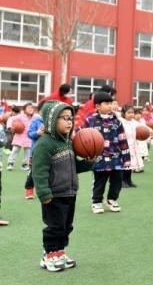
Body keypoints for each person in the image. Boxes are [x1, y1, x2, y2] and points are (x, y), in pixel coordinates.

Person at [32, 101, 94, 272]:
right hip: (53, 195)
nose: (69, 122)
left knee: (66, 226)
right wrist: (44, 193)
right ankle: (49, 255)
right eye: (64, 118)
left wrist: (89, 162)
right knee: (55, 226)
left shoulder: (68, 143)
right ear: (52, 120)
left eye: (71, 118)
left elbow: (74, 166)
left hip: (69, 192)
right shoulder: (44, 144)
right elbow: (39, 171)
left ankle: (59, 251)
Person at [87, 92, 130, 214]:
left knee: (117, 181)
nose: (110, 106)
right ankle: (96, 202)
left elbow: (122, 138)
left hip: (116, 158)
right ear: (97, 106)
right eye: (106, 103)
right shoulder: (90, 121)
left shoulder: (117, 121)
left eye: (111, 103)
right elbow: (82, 137)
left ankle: (112, 199)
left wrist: (126, 158)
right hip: (99, 158)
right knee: (99, 182)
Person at [7, 103, 36, 171]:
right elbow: (11, 119)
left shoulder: (35, 117)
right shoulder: (21, 116)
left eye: (32, 108)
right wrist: (9, 127)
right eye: (28, 108)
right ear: (24, 109)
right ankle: (10, 163)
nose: (30, 109)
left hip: (29, 136)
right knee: (15, 149)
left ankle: (25, 164)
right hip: (19, 136)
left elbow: (41, 120)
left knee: (28, 151)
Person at [119, 105, 143, 187]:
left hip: (133, 146)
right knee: (124, 164)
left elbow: (143, 128)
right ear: (123, 113)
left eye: (132, 112)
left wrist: (150, 132)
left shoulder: (134, 122)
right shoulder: (120, 121)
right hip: (123, 146)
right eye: (128, 112)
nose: (131, 114)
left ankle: (128, 180)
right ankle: (121, 181)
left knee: (131, 164)